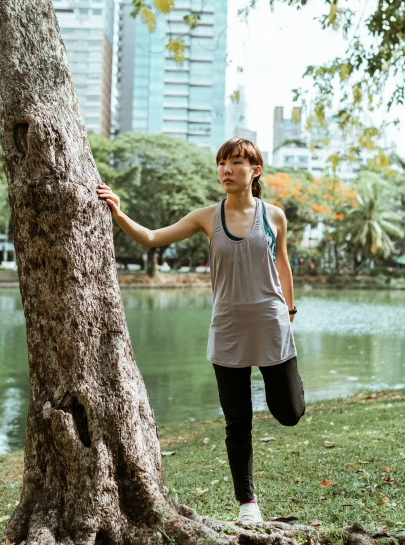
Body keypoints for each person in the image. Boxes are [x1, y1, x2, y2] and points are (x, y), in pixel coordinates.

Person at [97, 138, 305, 524]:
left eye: (236, 162)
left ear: (255, 170)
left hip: (271, 324)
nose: (227, 169)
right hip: (227, 328)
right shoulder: (207, 217)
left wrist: (289, 311)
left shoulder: (275, 216)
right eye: (222, 162)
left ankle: (292, 384)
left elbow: (282, 263)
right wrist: (118, 213)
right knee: (237, 420)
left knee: (290, 413)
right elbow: (153, 237)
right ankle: (248, 506)